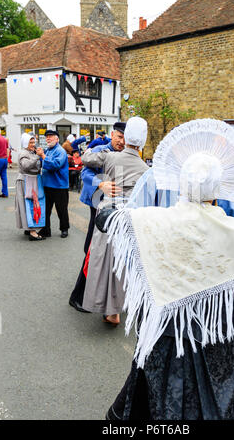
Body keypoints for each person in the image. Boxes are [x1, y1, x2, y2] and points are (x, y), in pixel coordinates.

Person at [103, 119, 234, 420]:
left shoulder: (154, 220)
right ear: (218, 188)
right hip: (216, 330)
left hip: (166, 330)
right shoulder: (231, 229)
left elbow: (110, 219)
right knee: (222, 399)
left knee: (158, 393)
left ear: (180, 181)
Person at [80, 117, 149, 325]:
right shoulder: (146, 170)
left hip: (108, 216)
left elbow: (86, 159)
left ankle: (107, 308)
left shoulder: (110, 158)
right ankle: (121, 306)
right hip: (130, 220)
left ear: (125, 137)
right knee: (126, 262)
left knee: (103, 260)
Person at [68, 122, 126, 312]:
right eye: (119, 137)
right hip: (97, 204)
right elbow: (85, 172)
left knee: (106, 252)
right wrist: (101, 185)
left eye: (125, 138)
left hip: (115, 208)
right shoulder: (100, 150)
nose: (122, 141)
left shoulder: (126, 154)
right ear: (112, 135)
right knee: (92, 249)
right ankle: (78, 296)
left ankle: (105, 297)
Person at [36, 130, 70, 239]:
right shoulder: (47, 150)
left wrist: (43, 156)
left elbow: (55, 165)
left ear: (57, 139)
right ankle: (46, 229)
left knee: (62, 209)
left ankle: (64, 229)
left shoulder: (60, 151)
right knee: (46, 209)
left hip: (59, 186)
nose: (48, 139)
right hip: (47, 185)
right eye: (47, 137)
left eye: (51, 136)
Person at [15, 133, 45, 241]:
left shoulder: (30, 152)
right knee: (28, 205)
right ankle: (32, 232)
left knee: (30, 205)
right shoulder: (24, 153)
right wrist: (37, 156)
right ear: (25, 143)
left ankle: (29, 228)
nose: (33, 144)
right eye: (30, 142)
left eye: (33, 142)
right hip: (25, 181)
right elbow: (26, 166)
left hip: (31, 180)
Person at [0, 126, 9, 198]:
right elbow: (7, 149)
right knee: (4, 177)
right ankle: (5, 193)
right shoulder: (4, 139)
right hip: (4, 159)